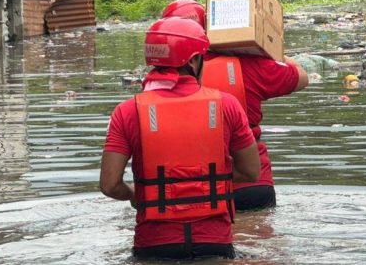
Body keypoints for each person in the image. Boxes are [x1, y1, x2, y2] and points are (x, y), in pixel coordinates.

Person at [99, 17, 260, 260]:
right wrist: (203, 181)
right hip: (214, 242)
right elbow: (250, 172)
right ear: (194, 61)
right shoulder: (227, 105)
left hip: (154, 245)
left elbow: (109, 185)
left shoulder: (127, 111)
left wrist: (137, 192)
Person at [161, 0, 309, 211]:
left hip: (190, 190)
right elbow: (302, 77)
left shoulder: (157, 83)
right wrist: (269, 49)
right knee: (255, 240)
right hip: (252, 185)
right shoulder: (249, 65)